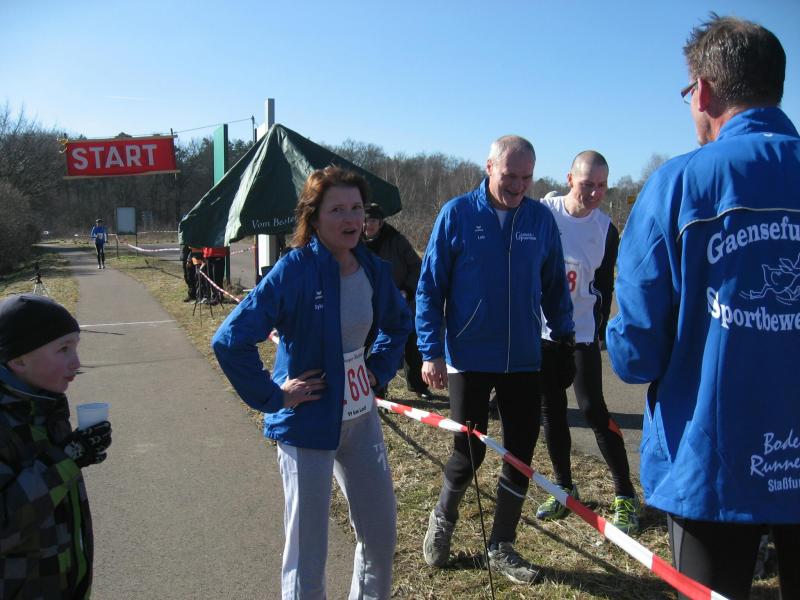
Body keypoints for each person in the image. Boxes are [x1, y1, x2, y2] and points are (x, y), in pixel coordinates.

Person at [606, 15, 800, 600]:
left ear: (704, 91)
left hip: (710, 461)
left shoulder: (677, 185)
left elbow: (636, 354)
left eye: (688, 91)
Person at [212, 166, 411, 600]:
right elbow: (229, 340)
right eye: (337, 209)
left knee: (379, 537)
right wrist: (275, 396)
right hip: (307, 424)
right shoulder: (294, 270)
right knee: (308, 553)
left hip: (360, 421)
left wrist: (377, 368)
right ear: (314, 217)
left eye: (356, 208)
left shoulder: (372, 268)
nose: (350, 219)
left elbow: (398, 325)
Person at [417, 135, 575, 584]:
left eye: (527, 177)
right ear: (489, 167)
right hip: (469, 356)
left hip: (523, 359)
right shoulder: (457, 215)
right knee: (467, 452)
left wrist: (564, 338)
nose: (519, 186)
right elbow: (430, 287)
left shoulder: (540, 219)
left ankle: (502, 543)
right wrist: (431, 351)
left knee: (520, 453)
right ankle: (443, 519)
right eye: (510, 176)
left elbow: (554, 285)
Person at [534, 151, 640, 534]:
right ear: (569, 179)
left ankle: (625, 494)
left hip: (580, 333)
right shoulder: (543, 213)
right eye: (586, 184)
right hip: (544, 332)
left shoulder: (606, 229)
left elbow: (606, 283)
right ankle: (564, 487)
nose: (594, 193)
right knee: (551, 411)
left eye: (601, 185)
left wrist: (598, 326)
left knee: (593, 409)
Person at [0, 294, 112, 598]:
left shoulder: (43, 406)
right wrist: (67, 459)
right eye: (63, 349)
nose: (76, 363)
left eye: (76, 347)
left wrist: (75, 452)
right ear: (18, 360)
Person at [363, 203, 432, 400]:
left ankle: (418, 385)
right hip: (370, 304)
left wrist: (406, 291)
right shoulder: (354, 243)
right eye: (365, 220)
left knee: (411, 345)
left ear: (381, 223)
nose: (368, 225)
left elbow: (417, 267)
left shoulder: (396, 240)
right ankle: (378, 388)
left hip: (401, 301)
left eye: (373, 221)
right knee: (374, 346)